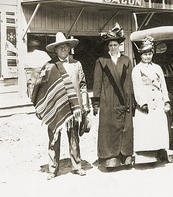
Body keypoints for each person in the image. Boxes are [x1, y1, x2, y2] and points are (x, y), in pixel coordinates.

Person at [31, 32, 90, 180]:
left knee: (74, 137)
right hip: (56, 107)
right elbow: (40, 86)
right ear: (55, 50)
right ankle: (53, 169)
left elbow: (83, 85)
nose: (63, 50)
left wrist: (84, 106)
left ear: (69, 49)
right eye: (60, 48)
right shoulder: (50, 67)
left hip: (74, 107)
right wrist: (42, 105)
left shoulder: (77, 64)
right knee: (53, 138)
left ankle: (77, 166)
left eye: (65, 47)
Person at [92, 23, 134, 170]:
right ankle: (110, 158)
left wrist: (132, 101)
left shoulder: (126, 60)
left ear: (119, 45)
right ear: (107, 47)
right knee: (109, 128)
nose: (113, 47)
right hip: (108, 99)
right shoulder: (101, 61)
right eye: (110, 45)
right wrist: (96, 102)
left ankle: (125, 157)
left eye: (115, 44)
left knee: (125, 128)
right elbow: (97, 83)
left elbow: (130, 82)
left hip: (124, 99)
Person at [132, 36, 172, 163]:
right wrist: (142, 103)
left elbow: (163, 85)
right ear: (141, 55)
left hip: (158, 102)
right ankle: (146, 157)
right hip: (146, 103)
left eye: (149, 54)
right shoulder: (137, 69)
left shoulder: (157, 68)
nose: (147, 57)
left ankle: (161, 153)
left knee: (158, 128)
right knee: (146, 129)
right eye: (145, 55)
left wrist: (166, 100)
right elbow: (137, 87)